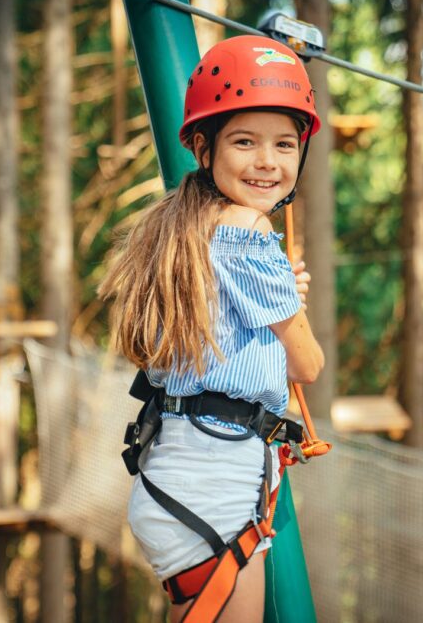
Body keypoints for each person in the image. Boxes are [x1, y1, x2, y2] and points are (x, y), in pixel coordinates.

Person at [99, 34, 325, 623]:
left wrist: (278, 298)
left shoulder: (184, 229)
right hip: (211, 482)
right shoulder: (250, 231)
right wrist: (292, 312)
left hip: (180, 471)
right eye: (244, 142)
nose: (267, 162)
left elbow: (223, 326)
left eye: (283, 144)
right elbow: (308, 366)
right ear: (205, 147)